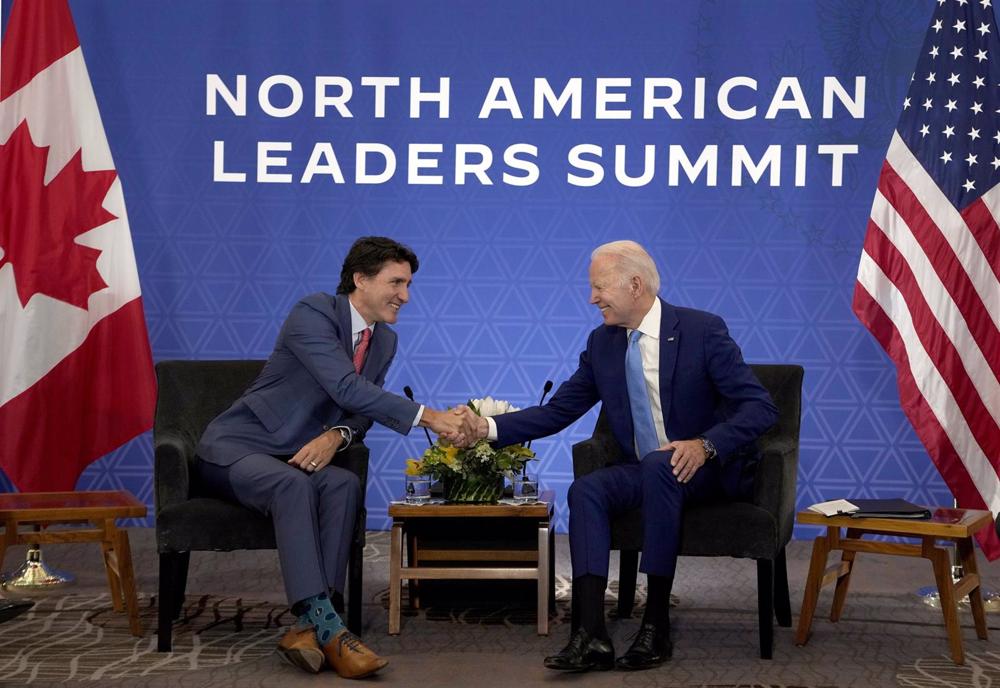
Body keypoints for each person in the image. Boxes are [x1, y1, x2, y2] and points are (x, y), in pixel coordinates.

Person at [460, 240, 778, 672]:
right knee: (587, 490)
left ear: (635, 284)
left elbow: (760, 407)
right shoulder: (604, 343)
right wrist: (486, 428)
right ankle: (590, 633)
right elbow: (559, 411)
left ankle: (656, 623)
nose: (592, 298)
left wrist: (704, 445)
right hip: (647, 469)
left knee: (659, 465)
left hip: (708, 471)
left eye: (598, 287)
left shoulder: (703, 331)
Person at [196, 236, 476, 679]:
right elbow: (347, 387)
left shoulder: (384, 341)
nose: (405, 296)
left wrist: (338, 435)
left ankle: (309, 627)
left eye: (408, 285)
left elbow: (358, 410)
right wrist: (430, 417)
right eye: (396, 282)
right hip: (238, 450)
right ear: (360, 279)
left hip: (296, 456)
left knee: (343, 484)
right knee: (292, 485)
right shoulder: (313, 312)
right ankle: (332, 628)